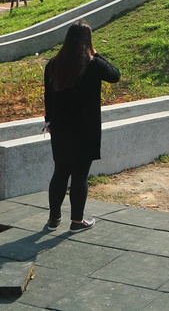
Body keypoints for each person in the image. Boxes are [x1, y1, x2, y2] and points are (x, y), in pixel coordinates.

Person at [43, 20, 120, 232]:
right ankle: (77, 222)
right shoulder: (92, 65)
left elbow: (48, 98)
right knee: (79, 176)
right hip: (85, 130)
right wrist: (96, 54)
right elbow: (115, 75)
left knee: (60, 172)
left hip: (60, 129)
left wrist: (48, 122)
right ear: (88, 41)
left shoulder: (53, 64)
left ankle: (53, 219)